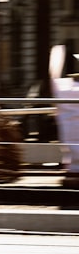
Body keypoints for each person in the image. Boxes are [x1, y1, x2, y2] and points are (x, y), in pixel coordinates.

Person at [49, 45, 79, 189]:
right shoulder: (65, 90)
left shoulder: (64, 90)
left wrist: (57, 53)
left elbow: (52, 77)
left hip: (71, 157)